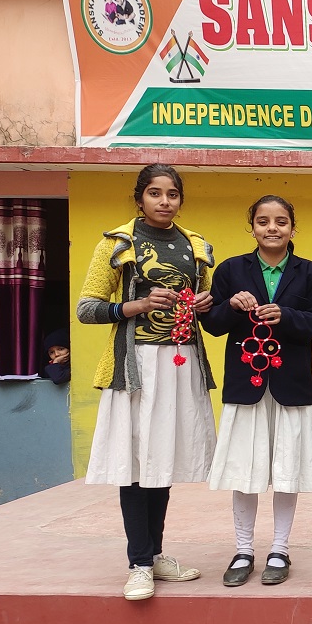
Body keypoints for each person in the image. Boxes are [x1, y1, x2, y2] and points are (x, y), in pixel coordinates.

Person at [76, 163, 213, 600]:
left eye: (172, 194)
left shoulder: (197, 247)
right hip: (134, 367)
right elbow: (87, 308)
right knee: (134, 463)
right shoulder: (118, 244)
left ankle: (154, 554)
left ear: (180, 200)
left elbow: (202, 309)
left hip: (181, 364)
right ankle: (138, 563)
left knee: (162, 459)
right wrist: (135, 305)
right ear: (139, 199)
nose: (164, 201)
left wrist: (205, 305)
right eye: (155, 193)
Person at [203, 195, 312, 587]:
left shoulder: (309, 272)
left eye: (280, 221)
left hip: (291, 384)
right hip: (247, 385)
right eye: (263, 221)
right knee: (244, 470)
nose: (272, 228)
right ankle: (243, 550)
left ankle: (279, 549)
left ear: (292, 227)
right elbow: (212, 324)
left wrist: (285, 315)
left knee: (288, 471)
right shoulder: (230, 269)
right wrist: (231, 305)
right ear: (252, 227)